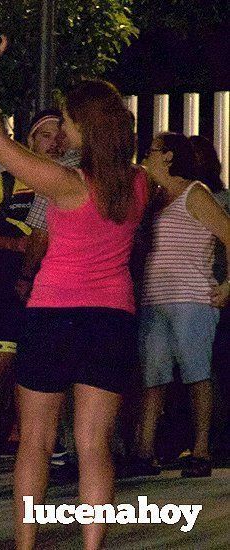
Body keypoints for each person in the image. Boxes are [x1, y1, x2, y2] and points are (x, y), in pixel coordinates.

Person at [0, 37, 149, 550]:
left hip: (54, 316)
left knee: (35, 442)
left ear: (84, 127)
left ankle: (26, 545)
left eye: (69, 122)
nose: (63, 131)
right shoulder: (137, 184)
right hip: (112, 317)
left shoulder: (67, 183)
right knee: (94, 446)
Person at [129, 132, 230, 479]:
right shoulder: (156, 199)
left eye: (151, 151)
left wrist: (228, 284)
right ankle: (145, 451)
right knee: (153, 375)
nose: (146, 157)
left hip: (191, 298)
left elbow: (228, 234)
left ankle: (202, 449)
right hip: (156, 297)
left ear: (169, 156)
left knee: (196, 374)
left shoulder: (195, 193)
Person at [0, 109, 64, 466]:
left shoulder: (68, 182)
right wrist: (16, 246)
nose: (53, 143)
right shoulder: (6, 183)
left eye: (59, 135)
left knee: (47, 369)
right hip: (12, 291)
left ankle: (46, 447)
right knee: (0, 367)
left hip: (55, 289)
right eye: (44, 135)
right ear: (29, 141)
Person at [191, 135, 230, 460]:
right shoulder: (176, 199)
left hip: (215, 288)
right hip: (198, 289)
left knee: (211, 367)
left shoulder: (219, 199)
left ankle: (216, 440)